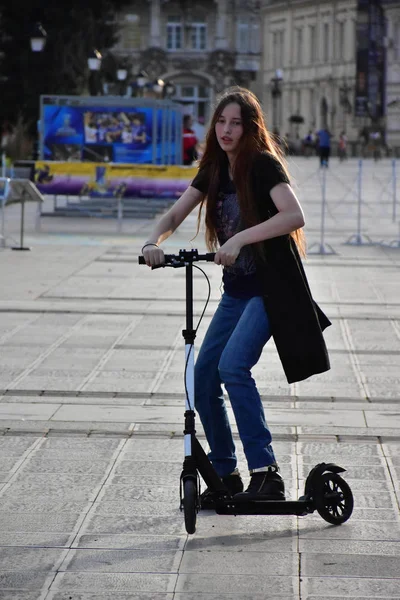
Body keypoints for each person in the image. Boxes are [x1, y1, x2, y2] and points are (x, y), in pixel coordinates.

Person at [141, 87, 331, 507]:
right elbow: (176, 213)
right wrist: (153, 240)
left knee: (232, 366)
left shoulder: (261, 165)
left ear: (249, 128)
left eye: (235, 123)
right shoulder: (214, 169)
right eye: (221, 122)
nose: (226, 130)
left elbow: (293, 215)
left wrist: (242, 238)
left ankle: (267, 472)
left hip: (271, 289)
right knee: (204, 374)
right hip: (236, 292)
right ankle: (225, 473)